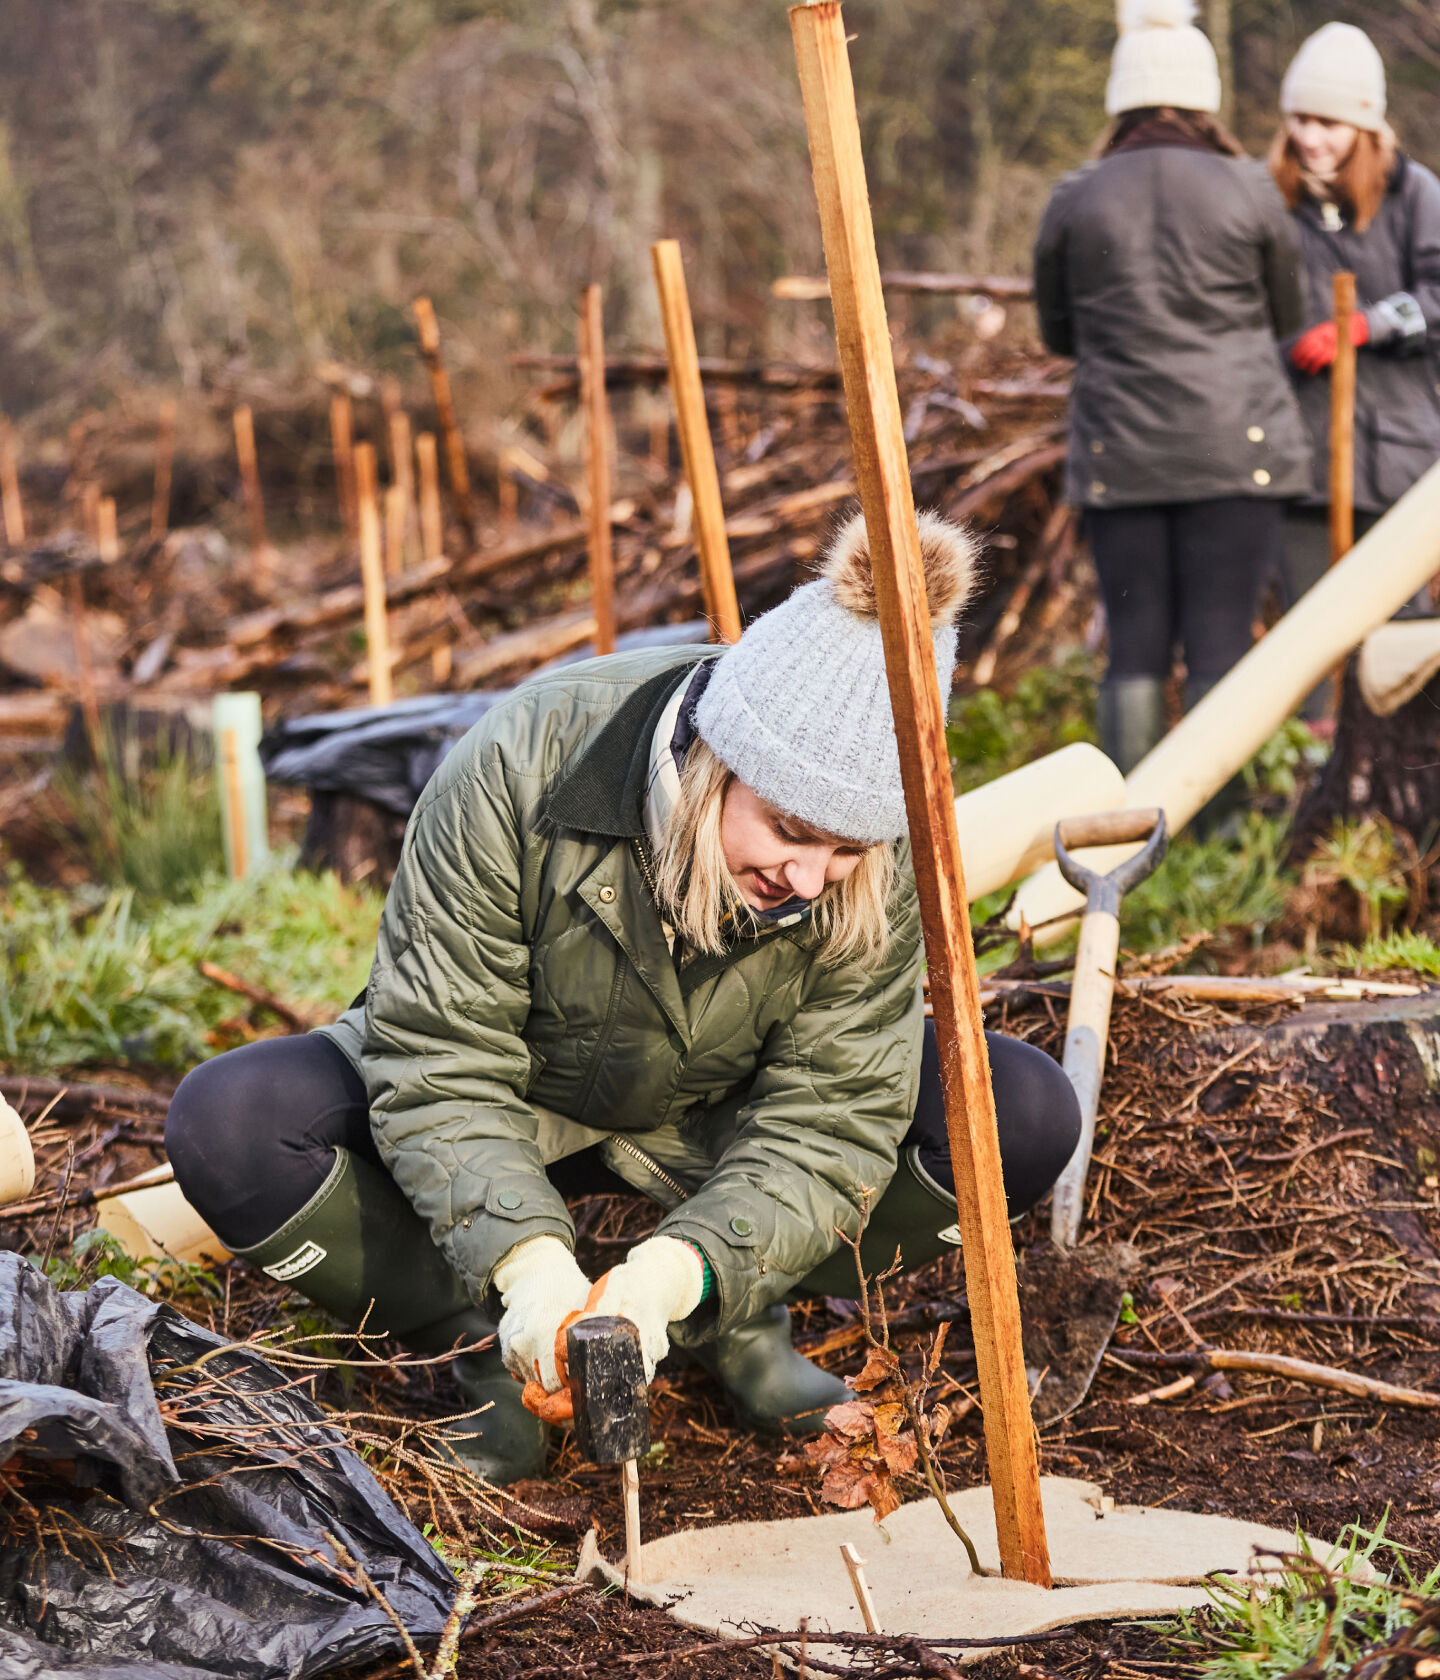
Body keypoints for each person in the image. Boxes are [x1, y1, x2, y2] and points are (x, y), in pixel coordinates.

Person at [165, 511, 1081, 1485]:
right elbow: (440, 1054)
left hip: (707, 1121)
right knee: (229, 1126)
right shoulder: (520, 764)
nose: (811, 879)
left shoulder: (862, 854)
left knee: (1015, 1114)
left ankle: (730, 1321)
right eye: (786, 830)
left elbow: (837, 1108)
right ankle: (485, 1348)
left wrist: (678, 1273)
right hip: (519, 1096)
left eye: (845, 854)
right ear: (715, 761)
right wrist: (527, 1270)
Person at [1033, 0, 1311, 774]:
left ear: (1119, 96)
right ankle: (1217, 824)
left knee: (1134, 647)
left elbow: (1058, 335)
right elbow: (1287, 316)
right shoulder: (1250, 187)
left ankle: (1129, 830)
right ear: (1206, 95)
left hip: (1120, 451)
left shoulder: (1075, 195)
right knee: (1222, 637)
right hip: (1237, 445)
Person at [1270, 20, 1440, 709]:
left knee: (1399, 636)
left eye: (1328, 123)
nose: (1311, 137)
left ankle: (1405, 781)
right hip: (1304, 461)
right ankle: (1313, 779)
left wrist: (1367, 326)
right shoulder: (1272, 202)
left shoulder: (1415, 194)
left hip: (1399, 458)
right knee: (1309, 634)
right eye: (1301, 119)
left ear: (1365, 126)